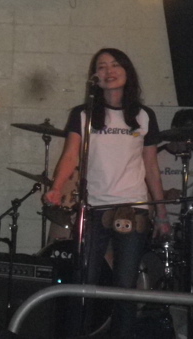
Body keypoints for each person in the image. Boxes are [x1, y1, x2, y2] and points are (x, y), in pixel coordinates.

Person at [43, 48, 170, 337]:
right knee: (85, 281)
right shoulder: (83, 114)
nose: (109, 71)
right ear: (94, 76)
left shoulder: (143, 115)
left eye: (115, 65)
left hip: (133, 208)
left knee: (125, 286)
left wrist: (162, 213)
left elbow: (151, 167)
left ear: (127, 71)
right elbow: (70, 155)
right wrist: (57, 187)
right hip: (94, 207)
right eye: (101, 66)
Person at [158, 109, 193, 224]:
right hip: (157, 221)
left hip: (186, 223)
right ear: (174, 130)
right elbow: (141, 191)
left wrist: (190, 213)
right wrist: (165, 194)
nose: (190, 140)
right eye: (186, 134)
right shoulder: (155, 156)